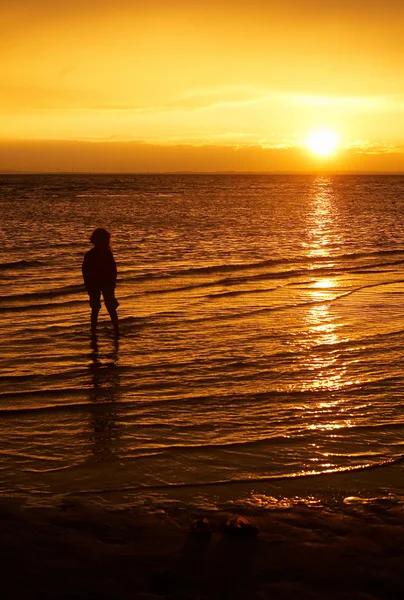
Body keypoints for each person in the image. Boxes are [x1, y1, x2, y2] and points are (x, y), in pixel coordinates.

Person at [82, 228, 119, 335]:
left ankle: (95, 329)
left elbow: (85, 271)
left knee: (98, 308)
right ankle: (115, 329)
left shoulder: (93, 254)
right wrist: (113, 283)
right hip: (100, 283)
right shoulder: (103, 253)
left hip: (99, 283)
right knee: (106, 307)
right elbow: (113, 269)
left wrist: (88, 285)